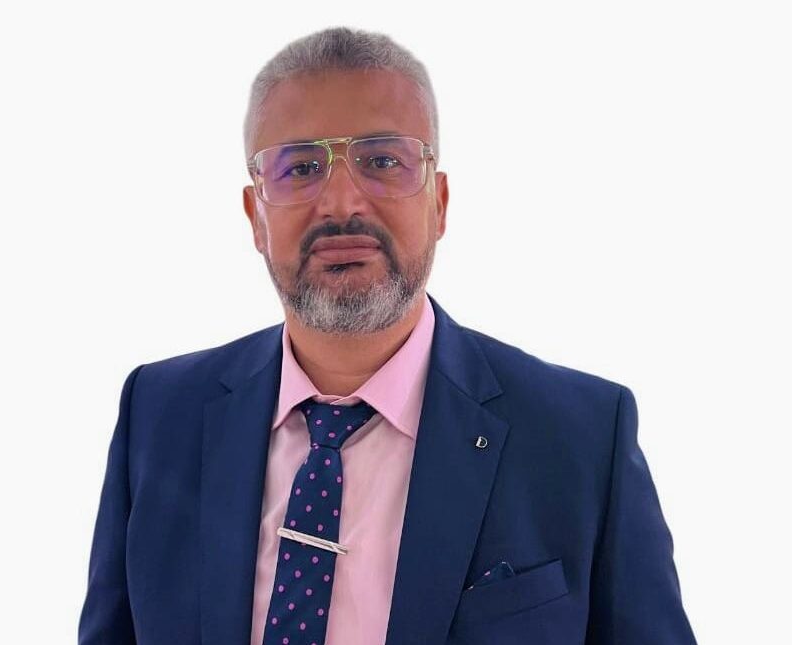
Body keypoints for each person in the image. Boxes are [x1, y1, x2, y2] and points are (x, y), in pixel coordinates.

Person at [78, 26, 697, 645]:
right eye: (300, 168)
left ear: (439, 202)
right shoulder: (158, 415)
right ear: (255, 216)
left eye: (381, 161)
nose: (341, 203)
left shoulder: (582, 437)